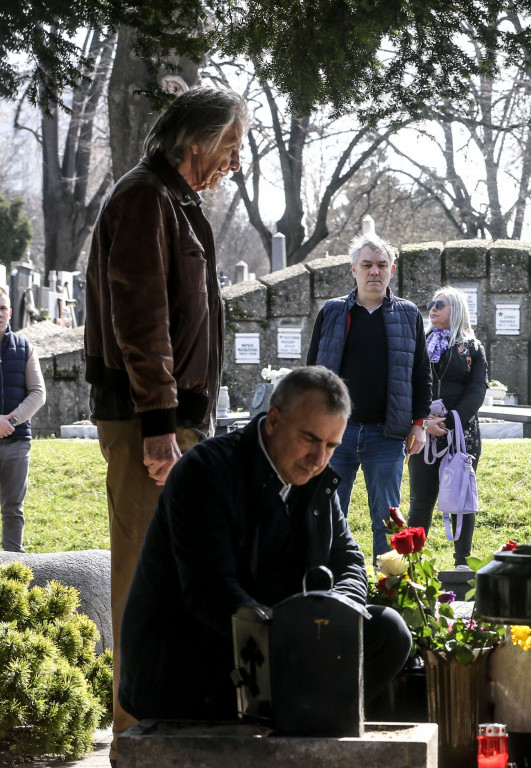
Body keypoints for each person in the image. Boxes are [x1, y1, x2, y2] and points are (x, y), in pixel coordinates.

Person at [82, 86, 247, 744]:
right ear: (195, 143)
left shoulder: (170, 201)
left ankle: (162, 718)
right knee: (141, 574)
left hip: (174, 419)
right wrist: (158, 425)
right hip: (147, 422)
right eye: (230, 146)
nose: (235, 161)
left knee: (173, 570)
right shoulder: (145, 198)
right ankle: (134, 730)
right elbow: (141, 317)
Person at [118, 367, 412, 720]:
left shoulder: (313, 478)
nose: (318, 459)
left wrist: (336, 613)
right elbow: (211, 592)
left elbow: (347, 559)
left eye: (331, 446)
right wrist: (291, 631)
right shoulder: (206, 471)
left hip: (287, 640)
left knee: (388, 631)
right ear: (273, 420)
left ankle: (309, 732)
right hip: (204, 652)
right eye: (309, 439)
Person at [307, 234, 430, 558]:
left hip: (386, 435)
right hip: (336, 435)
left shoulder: (408, 314)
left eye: (381, 265)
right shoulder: (332, 312)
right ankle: (327, 588)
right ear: (353, 270)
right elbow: (312, 373)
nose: (374, 271)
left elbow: (421, 373)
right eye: (366, 265)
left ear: (392, 269)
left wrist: (418, 423)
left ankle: (386, 592)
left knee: (387, 522)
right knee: (327, 516)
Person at [408, 286, 487, 565]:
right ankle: (412, 562)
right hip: (424, 432)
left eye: (440, 304)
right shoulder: (418, 344)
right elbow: (409, 386)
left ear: (457, 309)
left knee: (461, 498)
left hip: (462, 434)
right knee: (421, 499)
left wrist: (454, 420)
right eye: (431, 303)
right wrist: (424, 421)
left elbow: (477, 389)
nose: (433, 308)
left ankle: (461, 561)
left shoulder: (473, 349)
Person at [0, 286, 45, 552]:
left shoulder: (24, 347)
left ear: (10, 311)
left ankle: (13, 570)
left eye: (2, 308)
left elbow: (38, 393)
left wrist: (11, 421)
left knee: (14, 510)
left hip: (17, 443)